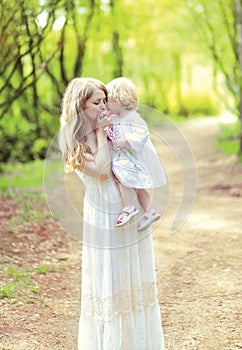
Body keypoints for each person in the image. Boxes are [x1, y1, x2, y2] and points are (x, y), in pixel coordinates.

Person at [59, 77, 165, 350]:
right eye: (97, 102)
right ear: (80, 106)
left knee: (133, 279)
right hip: (103, 218)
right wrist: (99, 134)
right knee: (110, 282)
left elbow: (139, 157)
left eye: (105, 100)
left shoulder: (114, 129)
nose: (104, 107)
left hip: (127, 212)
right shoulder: (74, 142)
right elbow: (102, 170)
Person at [106, 77, 167, 231]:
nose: (106, 105)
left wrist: (127, 140)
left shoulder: (133, 118)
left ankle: (128, 208)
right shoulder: (116, 118)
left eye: (108, 101)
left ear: (118, 100)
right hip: (127, 158)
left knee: (121, 174)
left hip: (132, 159)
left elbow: (142, 133)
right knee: (139, 188)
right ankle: (149, 211)